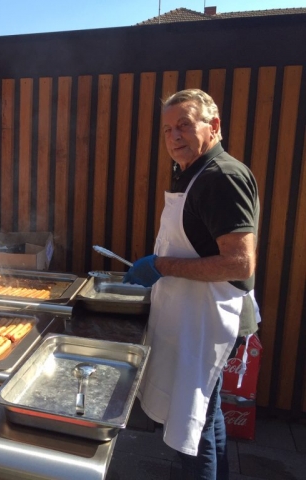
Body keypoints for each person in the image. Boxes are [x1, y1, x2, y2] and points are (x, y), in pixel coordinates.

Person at [123, 89, 260, 479]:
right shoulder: (195, 172)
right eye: (167, 129)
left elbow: (239, 262)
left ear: (213, 126)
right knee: (206, 413)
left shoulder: (223, 177)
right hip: (197, 315)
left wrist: (161, 265)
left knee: (190, 427)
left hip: (212, 319)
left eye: (184, 125)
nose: (174, 136)